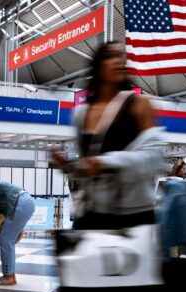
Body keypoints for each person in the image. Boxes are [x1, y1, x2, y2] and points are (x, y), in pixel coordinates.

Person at [52, 41, 164, 229]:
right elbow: (88, 166)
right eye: (111, 56)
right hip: (92, 212)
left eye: (122, 57)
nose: (119, 61)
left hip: (132, 215)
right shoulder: (82, 114)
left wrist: (106, 162)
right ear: (98, 65)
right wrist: (70, 167)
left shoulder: (139, 105)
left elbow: (153, 158)